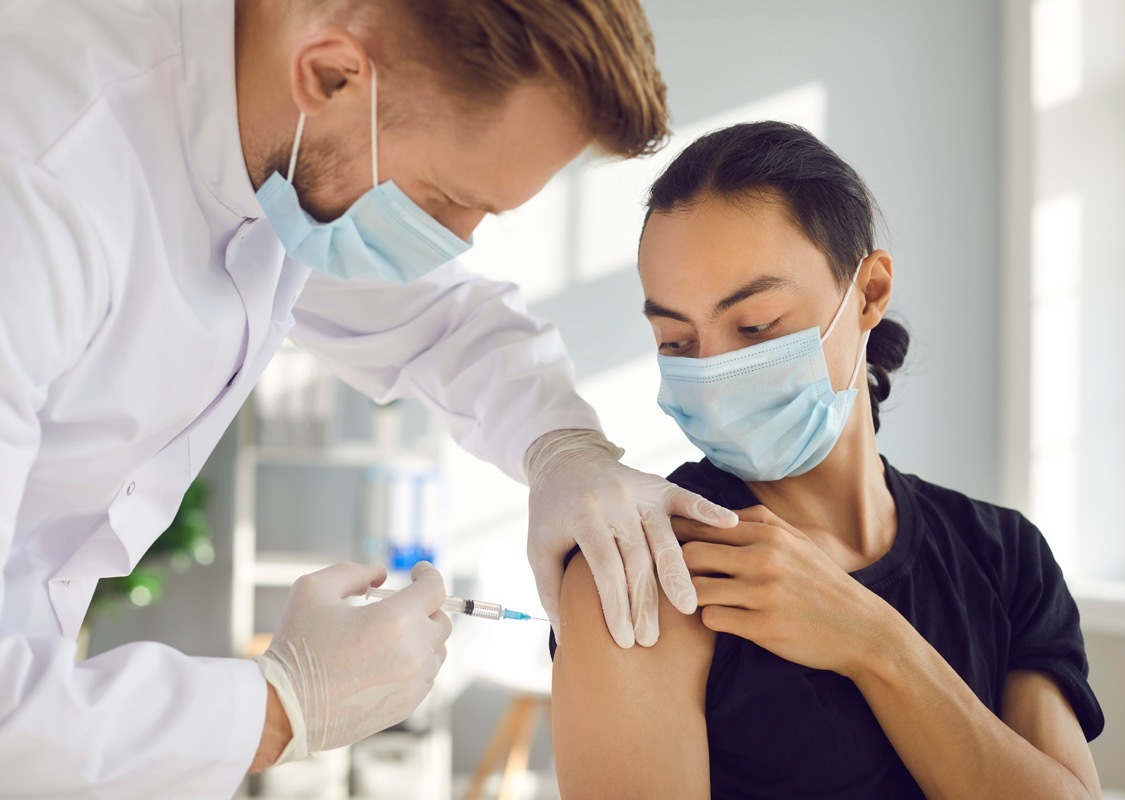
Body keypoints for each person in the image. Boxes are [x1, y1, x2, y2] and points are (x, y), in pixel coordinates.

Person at [0, 0, 740, 794]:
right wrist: (280, 708)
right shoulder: (38, 181)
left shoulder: (288, 142)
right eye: (447, 198)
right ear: (330, 72)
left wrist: (566, 448)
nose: (454, 240)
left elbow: (446, 318)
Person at [550, 121, 1106, 799]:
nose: (717, 371)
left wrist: (878, 645)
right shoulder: (650, 570)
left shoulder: (1005, 555)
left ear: (869, 292)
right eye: (676, 341)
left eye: (756, 326)